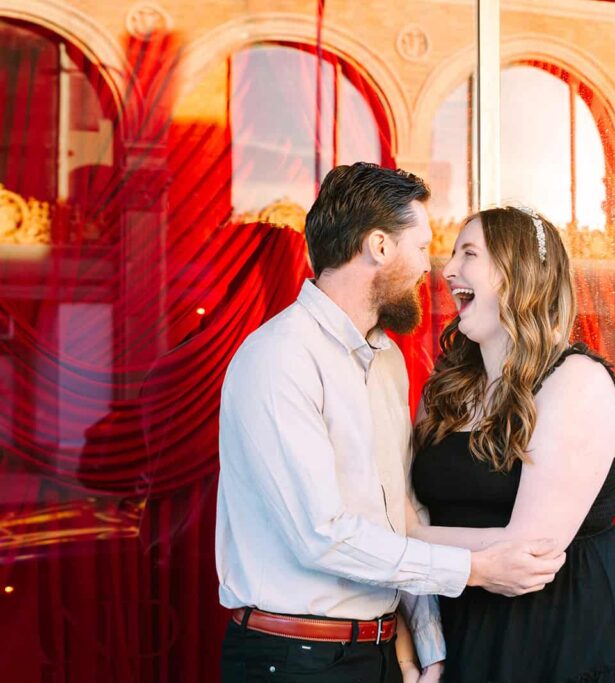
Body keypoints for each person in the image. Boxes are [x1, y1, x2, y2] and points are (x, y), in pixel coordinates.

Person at [216, 164, 566, 683]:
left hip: (376, 655)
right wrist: (475, 570)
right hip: (291, 659)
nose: (433, 269)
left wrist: (425, 645)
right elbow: (323, 537)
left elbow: (399, 517)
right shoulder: (280, 357)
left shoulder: (387, 362)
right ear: (378, 246)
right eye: (422, 247)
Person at [407, 207, 615, 682]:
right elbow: (408, 502)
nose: (448, 269)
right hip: (457, 618)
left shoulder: (577, 380)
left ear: (519, 273)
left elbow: (530, 547)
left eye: (469, 253)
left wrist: (402, 540)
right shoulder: (446, 387)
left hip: (558, 629)